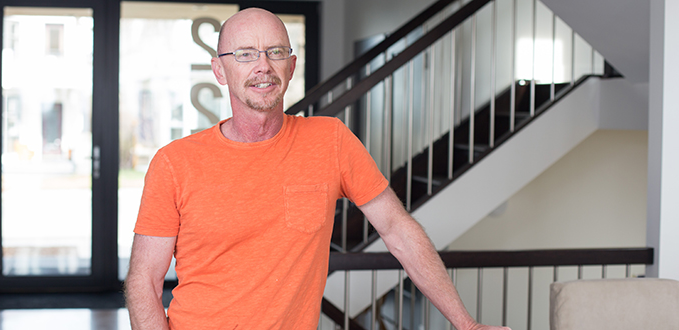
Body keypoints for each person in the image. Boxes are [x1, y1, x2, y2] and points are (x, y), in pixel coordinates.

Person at [124, 7, 511, 330]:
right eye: (244, 54)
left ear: (291, 67)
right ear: (220, 71)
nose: (262, 65)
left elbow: (398, 230)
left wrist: (467, 324)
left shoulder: (331, 141)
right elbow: (144, 280)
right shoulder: (174, 162)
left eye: (275, 52)